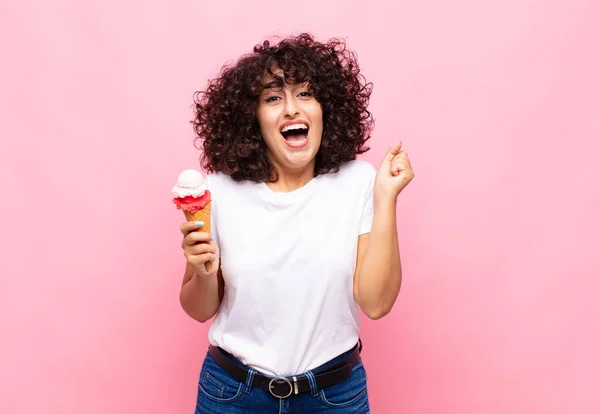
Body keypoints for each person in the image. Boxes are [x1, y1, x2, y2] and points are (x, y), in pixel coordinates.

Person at [178, 33, 414, 413]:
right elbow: (199, 308)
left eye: (305, 94)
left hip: (333, 396)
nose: (291, 109)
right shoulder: (218, 192)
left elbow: (376, 303)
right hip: (232, 394)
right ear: (252, 118)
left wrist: (386, 199)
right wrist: (201, 271)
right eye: (273, 98)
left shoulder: (359, 183)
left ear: (326, 109)